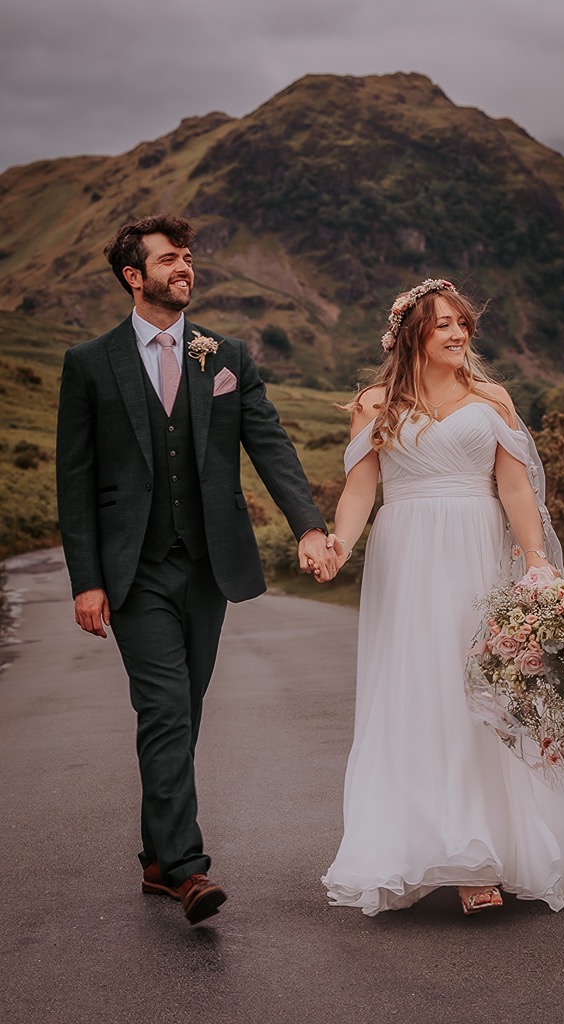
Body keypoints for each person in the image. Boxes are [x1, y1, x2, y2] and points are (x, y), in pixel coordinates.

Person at [56, 214, 337, 925]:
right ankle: (187, 870)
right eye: (169, 259)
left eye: (187, 257)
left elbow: (269, 443)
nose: (185, 267)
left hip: (209, 566)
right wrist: (85, 579)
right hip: (134, 571)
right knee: (165, 708)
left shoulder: (227, 356)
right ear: (134, 276)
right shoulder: (91, 363)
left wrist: (308, 523)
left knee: (187, 711)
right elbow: (75, 481)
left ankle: (156, 857)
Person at [321, 278, 564, 916]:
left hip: (477, 552)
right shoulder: (374, 403)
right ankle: (433, 847)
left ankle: (489, 850)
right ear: (413, 335)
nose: (459, 334)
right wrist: (337, 545)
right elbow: (358, 491)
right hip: (405, 555)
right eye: (444, 326)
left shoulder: (491, 399)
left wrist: (538, 566)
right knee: (418, 692)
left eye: (464, 325)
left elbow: (516, 489)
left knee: (484, 688)